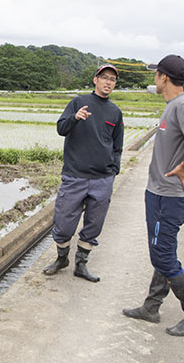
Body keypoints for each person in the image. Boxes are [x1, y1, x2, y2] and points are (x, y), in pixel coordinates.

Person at [122, 54, 184, 336]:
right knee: (163, 252)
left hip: (170, 198)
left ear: (163, 77)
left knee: (163, 257)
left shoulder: (183, 105)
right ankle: (151, 307)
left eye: (156, 74)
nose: (154, 78)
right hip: (159, 194)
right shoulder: (172, 105)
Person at [43, 64, 124, 282]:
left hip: (102, 179)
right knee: (63, 222)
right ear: (95, 79)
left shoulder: (115, 112)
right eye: (104, 77)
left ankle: (81, 264)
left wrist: (113, 170)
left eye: (113, 79)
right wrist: (75, 118)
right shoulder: (78, 102)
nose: (108, 82)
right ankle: (62, 259)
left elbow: (117, 146)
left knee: (94, 224)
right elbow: (61, 128)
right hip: (75, 175)